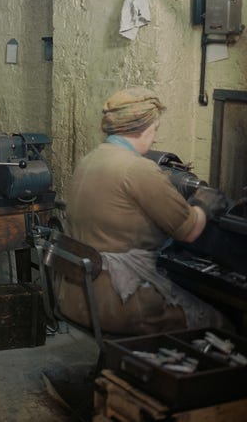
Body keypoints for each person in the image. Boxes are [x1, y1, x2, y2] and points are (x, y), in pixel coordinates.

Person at [59, 87, 229, 335]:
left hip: (77, 293)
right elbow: (190, 230)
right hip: (120, 301)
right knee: (220, 322)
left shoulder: (90, 159)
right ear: (144, 127)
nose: (155, 138)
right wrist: (205, 202)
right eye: (155, 130)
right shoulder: (139, 170)